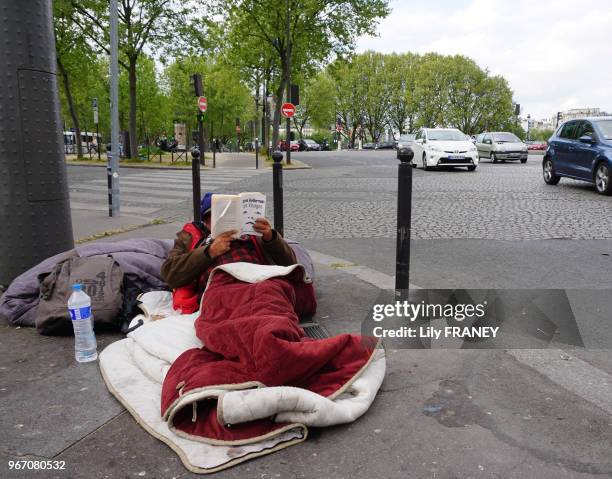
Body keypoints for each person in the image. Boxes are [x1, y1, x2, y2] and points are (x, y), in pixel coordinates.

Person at [161, 192, 296, 313]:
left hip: (258, 281)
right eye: (214, 216)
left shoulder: (256, 234)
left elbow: (291, 263)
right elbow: (170, 274)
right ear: (205, 222)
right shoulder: (192, 237)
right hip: (220, 287)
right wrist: (209, 252)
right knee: (230, 309)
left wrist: (271, 237)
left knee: (271, 301)